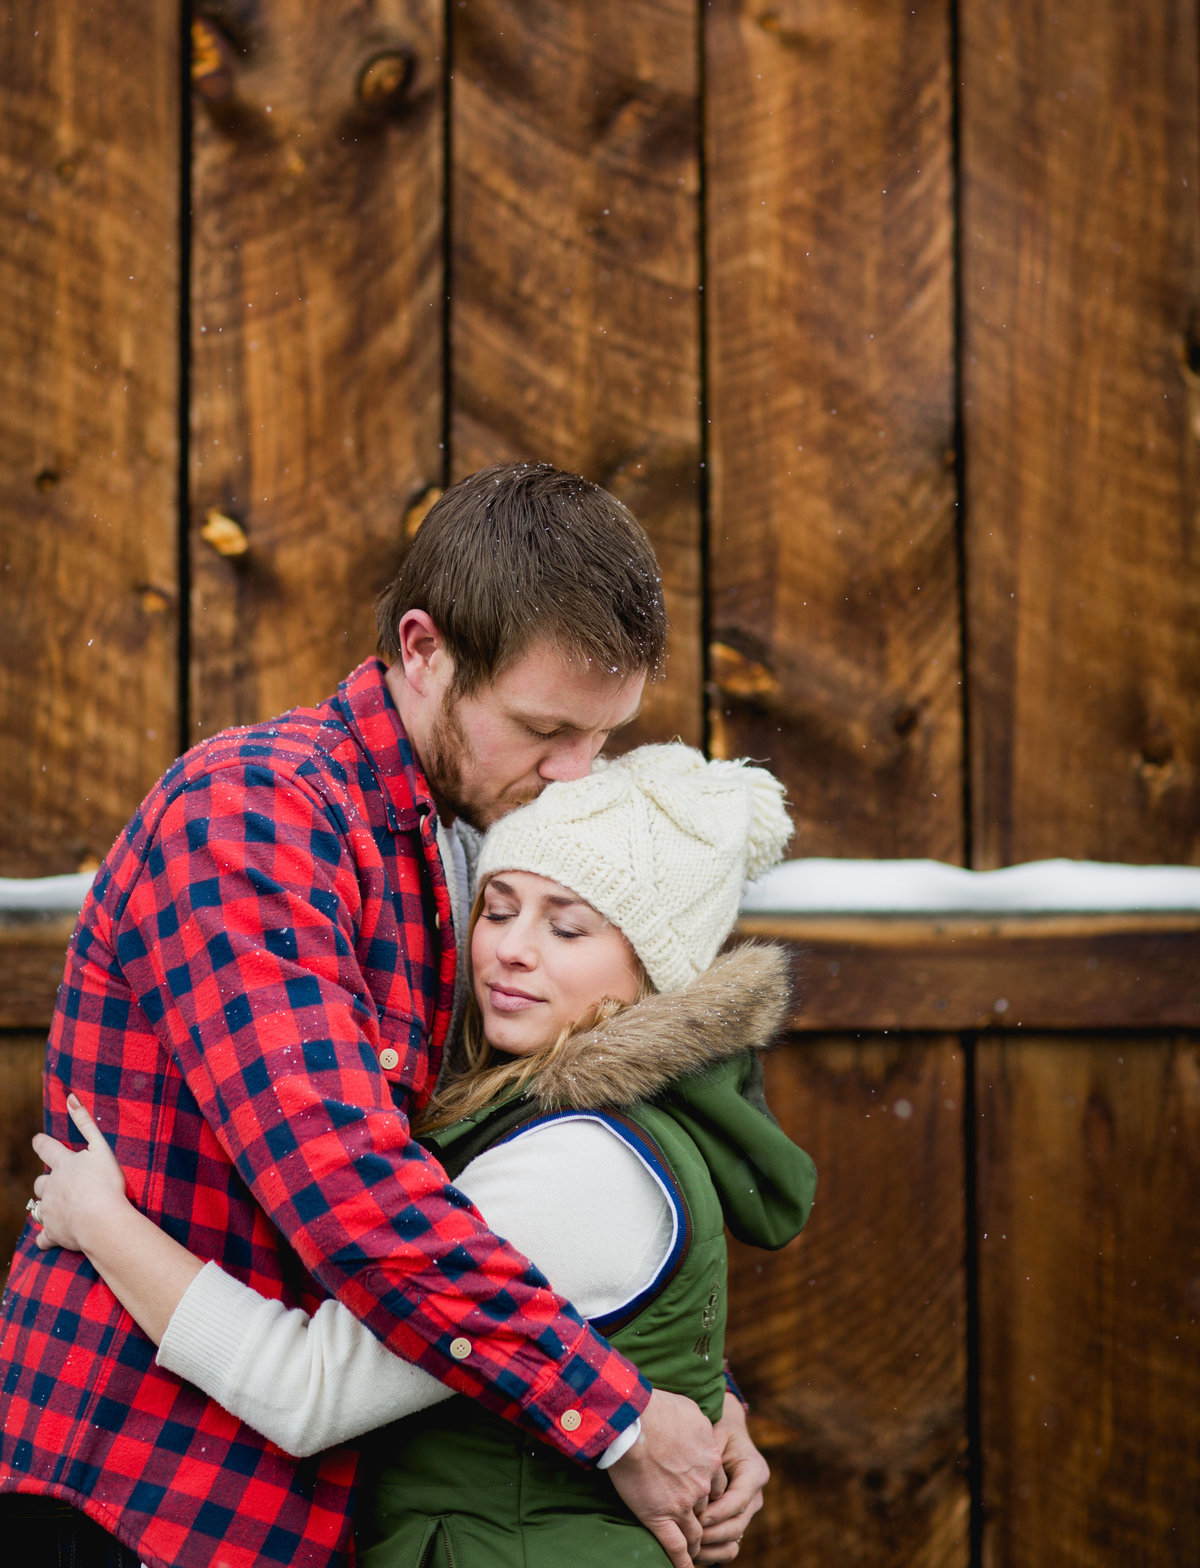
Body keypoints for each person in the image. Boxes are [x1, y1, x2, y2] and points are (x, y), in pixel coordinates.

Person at [0, 465, 767, 1568]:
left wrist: (681, 1380)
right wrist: (620, 1418)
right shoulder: (256, 818)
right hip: (140, 1492)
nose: (572, 777)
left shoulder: (486, 850)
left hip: (323, 1504)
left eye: (600, 738)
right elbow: (351, 1193)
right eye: (545, 729)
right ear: (423, 650)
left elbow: (506, 1190)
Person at [29, 744, 817, 1568]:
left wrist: (100, 1220)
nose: (513, 947)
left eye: (568, 925)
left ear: (657, 972)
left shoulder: (580, 1159)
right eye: (500, 907)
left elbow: (307, 1388)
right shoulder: (578, 1112)